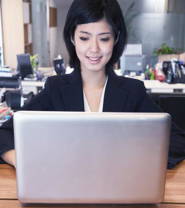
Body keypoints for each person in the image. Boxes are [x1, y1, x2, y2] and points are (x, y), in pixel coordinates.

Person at [0, 0, 185, 168]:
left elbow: (177, 141)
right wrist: (22, 162)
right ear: (72, 38)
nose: (94, 49)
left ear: (116, 39)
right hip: (66, 185)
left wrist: (133, 159)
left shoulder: (132, 91)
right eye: (84, 38)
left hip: (119, 186)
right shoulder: (56, 89)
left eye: (104, 38)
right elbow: (4, 135)